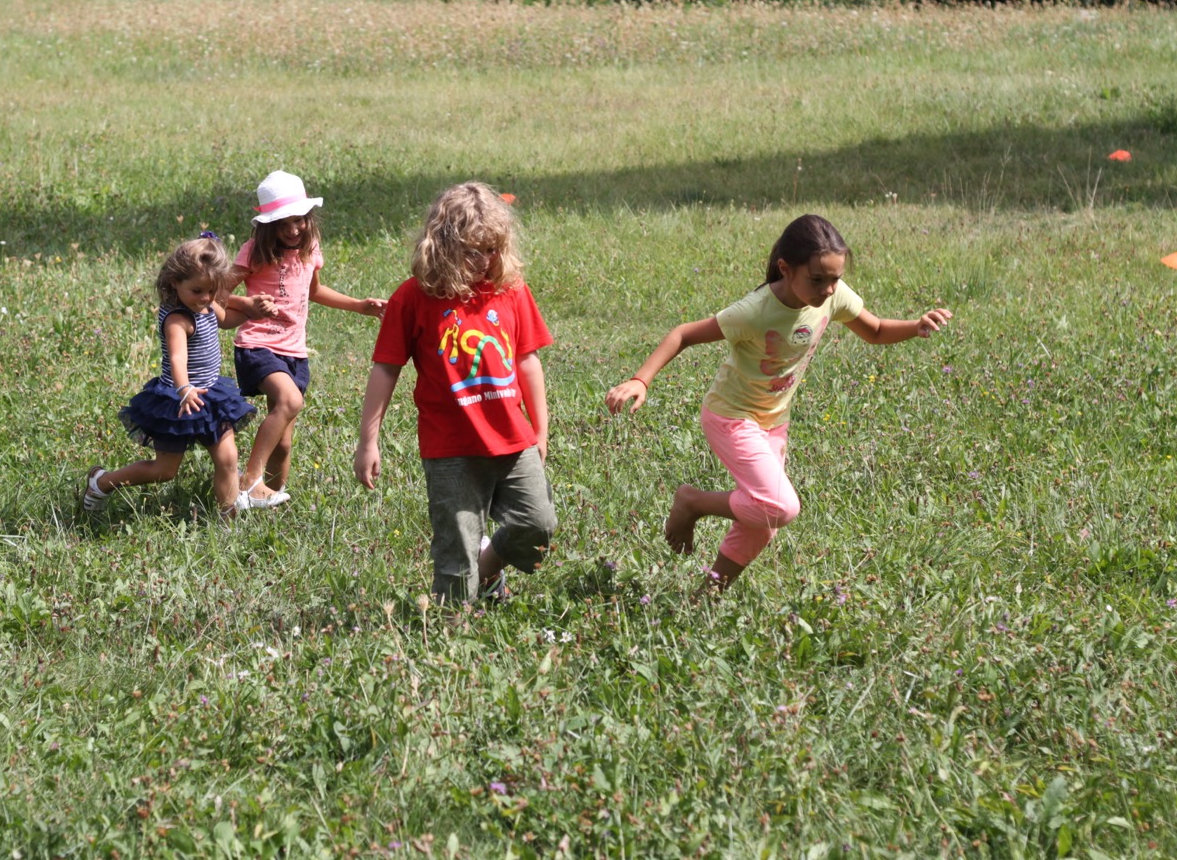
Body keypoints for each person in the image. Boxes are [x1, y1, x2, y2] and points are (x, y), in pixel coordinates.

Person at [604, 214, 953, 593]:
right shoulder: (755, 311)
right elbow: (683, 334)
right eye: (817, 280)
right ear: (786, 269)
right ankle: (692, 502)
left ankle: (707, 597)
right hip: (730, 416)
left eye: (835, 279)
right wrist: (640, 379)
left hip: (773, 421)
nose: (828, 289)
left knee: (762, 523)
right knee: (778, 506)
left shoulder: (832, 295)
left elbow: (877, 330)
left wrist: (915, 326)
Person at [354, 181, 556, 603]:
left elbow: (527, 360)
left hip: (513, 440)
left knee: (538, 525)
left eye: (492, 250)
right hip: (450, 449)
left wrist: (541, 430)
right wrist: (368, 442)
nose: (484, 261)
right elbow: (385, 369)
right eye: (471, 251)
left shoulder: (510, 290)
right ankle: (450, 629)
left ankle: (488, 568)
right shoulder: (413, 298)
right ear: (442, 246)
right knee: (456, 555)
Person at [229, 171, 387, 508]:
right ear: (267, 226)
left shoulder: (309, 249)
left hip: (294, 352)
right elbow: (216, 292)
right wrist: (246, 303)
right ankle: (249, 482)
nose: (292, 229)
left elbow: (314, 290)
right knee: (290, 401)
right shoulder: (254, 252)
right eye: (282, 223)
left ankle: (268, 502)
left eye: (298, 220)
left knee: (284, 444)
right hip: (258, 345)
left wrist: (359, 306)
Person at [82, 234, 261, 516]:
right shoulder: (178, 319)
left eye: (212, 290)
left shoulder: (206, 304)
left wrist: (253, 312)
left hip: (211, 395)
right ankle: (102, 482)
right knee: (164, 470)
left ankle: (228, 519)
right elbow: (178, 359)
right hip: (179, 399)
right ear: (175, 282)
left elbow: (226, 319)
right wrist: (184, 388)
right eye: (197, 290)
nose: (206, 298)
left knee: (228, 458)